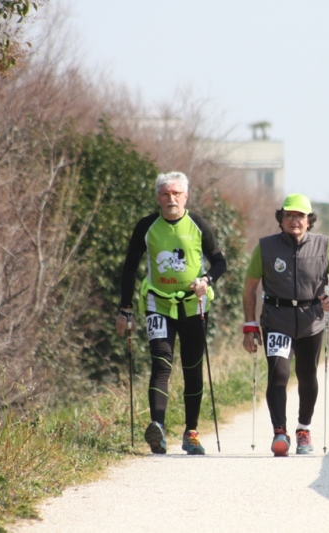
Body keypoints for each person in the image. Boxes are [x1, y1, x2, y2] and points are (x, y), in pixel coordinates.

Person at [116, 171, 227, 456]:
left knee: (193, 368)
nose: (171, 199)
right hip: (158, 304)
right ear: (158, 198)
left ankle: (191, 432)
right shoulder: (146, 226)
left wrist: (206, 281)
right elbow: (130, 267)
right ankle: (158, 428)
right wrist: (124, 309)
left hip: (194, 306)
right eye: (165, 194)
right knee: (161, 363)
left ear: (185, 197)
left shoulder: (198, 224)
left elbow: (220, 262)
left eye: (176, 194)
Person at [242, 194, 329, 456]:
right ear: (281, 219)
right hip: (276, 320)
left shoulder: (324, 245)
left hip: (311, 321)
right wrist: (250, 324)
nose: (294, 220)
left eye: (300, 216)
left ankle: (304, 429)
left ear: (309, 220)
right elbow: (250, 287)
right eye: (289, 215)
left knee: (307, 375)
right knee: (278, 374)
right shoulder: (266, 247)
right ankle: (280, 432)